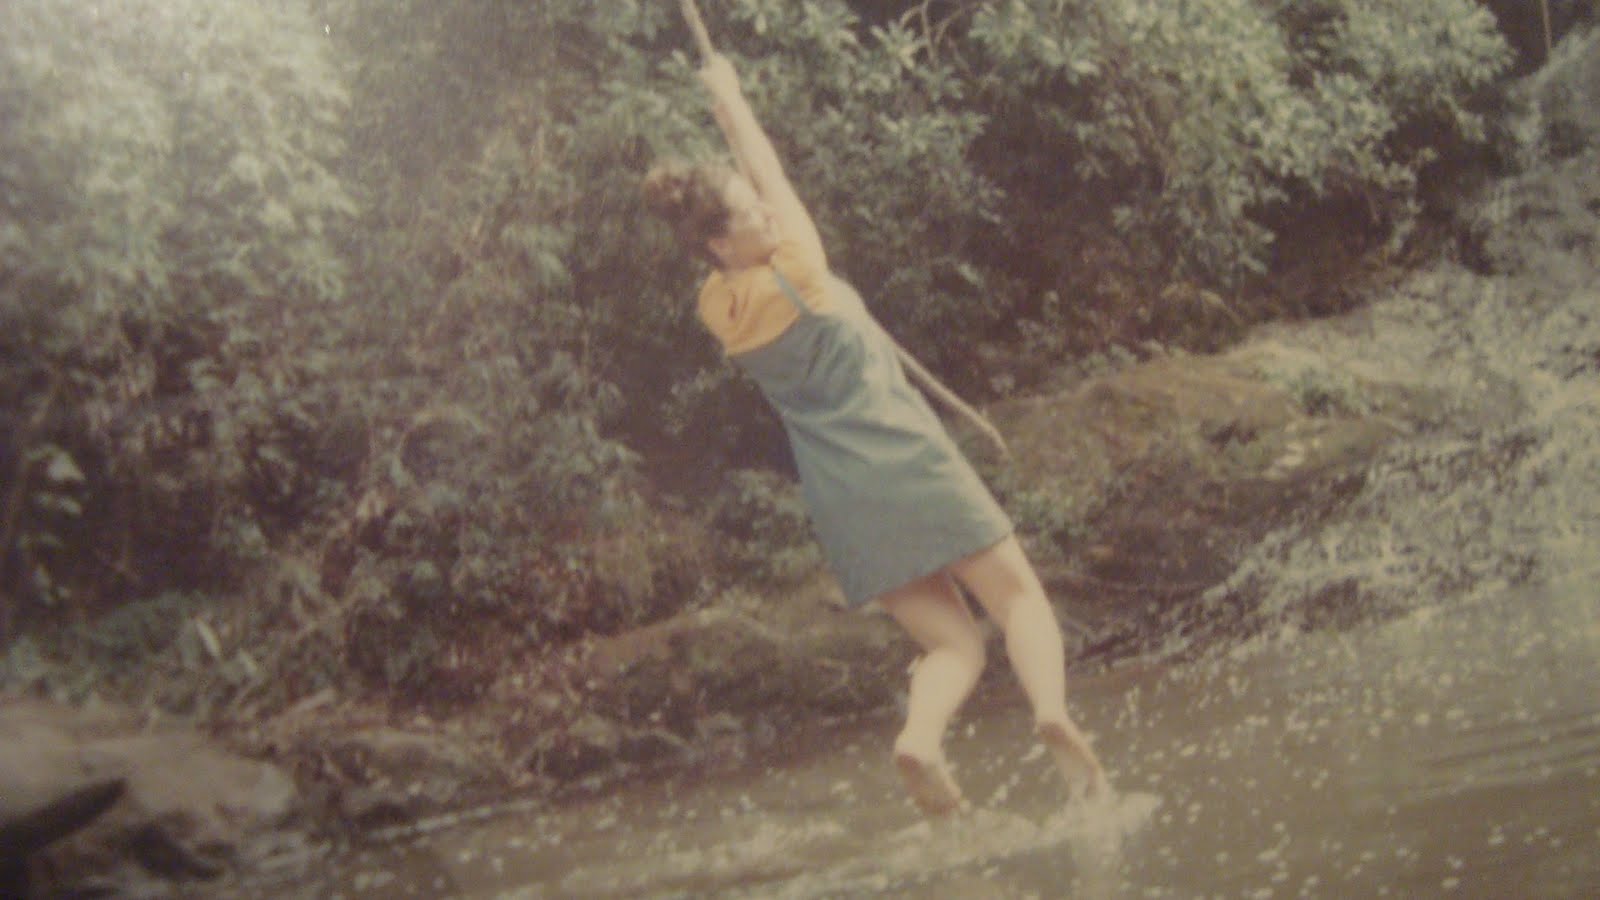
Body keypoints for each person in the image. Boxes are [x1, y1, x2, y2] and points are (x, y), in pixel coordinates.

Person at [641, 53, 1108, 817]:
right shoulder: (800, 267)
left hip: (844, 500)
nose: (766, 211)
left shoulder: (715, 307)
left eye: (759, 205)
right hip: (907, 457)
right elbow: (772, 171)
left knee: (953, 646)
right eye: (749, 211)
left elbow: (756, 197)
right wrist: (731, 99)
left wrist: (725, 143)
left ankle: (920, 741)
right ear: (719, 243)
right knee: (1020, 599)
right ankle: (1052, 712)